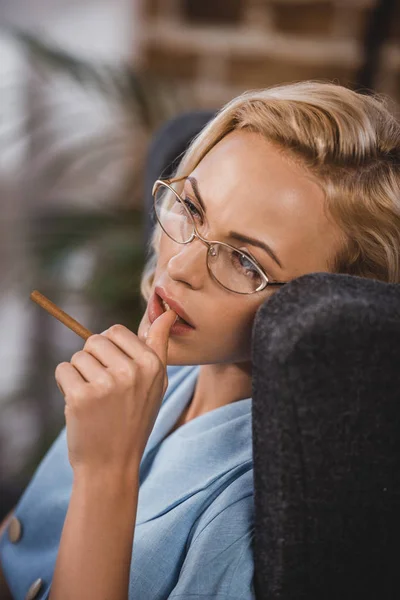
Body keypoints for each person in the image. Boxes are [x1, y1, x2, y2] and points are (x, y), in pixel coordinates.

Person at [0, 80, 399, 600]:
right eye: (190, 208)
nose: (181, 266)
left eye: (245, 260)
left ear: (331, 313)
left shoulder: (268, 512)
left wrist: (106, 472)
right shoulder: (157, 372)